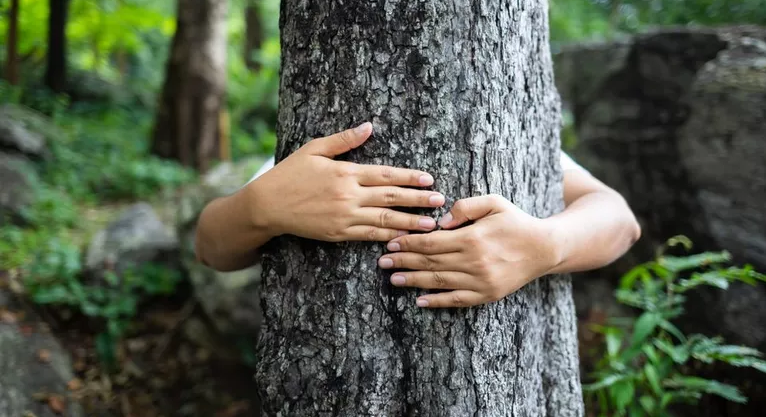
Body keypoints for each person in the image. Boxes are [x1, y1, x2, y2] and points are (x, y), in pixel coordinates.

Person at [195, 121, 640, 308]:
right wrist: (261, 207)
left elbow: (619, 219)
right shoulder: (308, 157)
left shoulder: (509, 130)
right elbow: (211, 248)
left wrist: (547, 245)